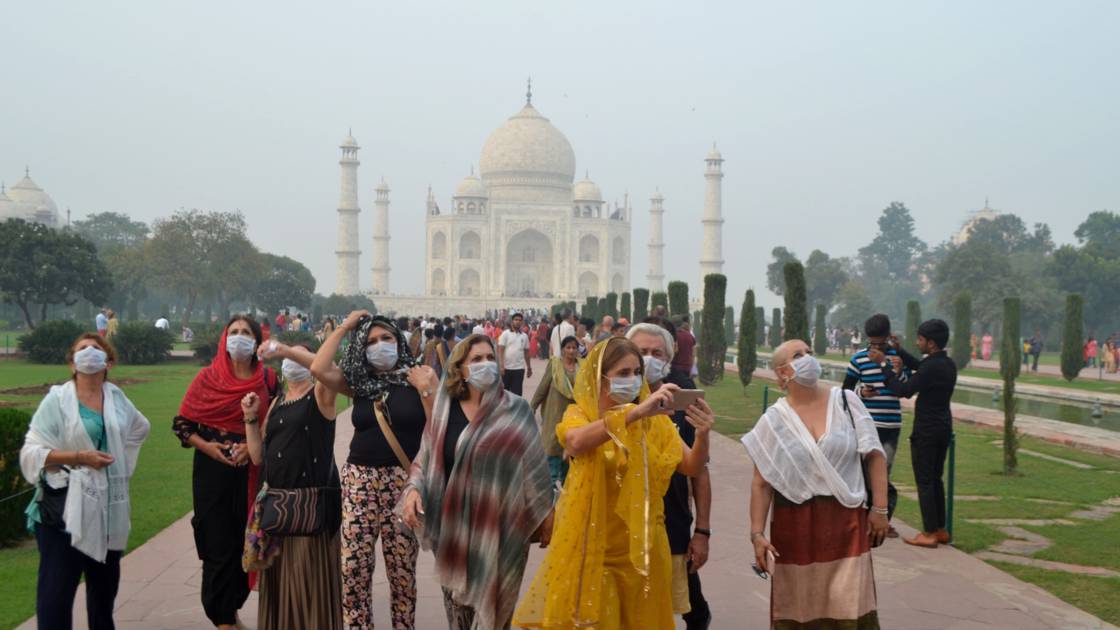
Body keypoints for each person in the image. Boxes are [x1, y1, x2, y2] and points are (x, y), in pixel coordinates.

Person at [514, 336, 714, 630]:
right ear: (601, 377)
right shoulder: (581, 414)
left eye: (636, 373)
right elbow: (576, 441)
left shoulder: (655, 421)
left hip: (645, 552)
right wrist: (634, 413)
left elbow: (691, 466)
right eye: (623, 374)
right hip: (594, 552)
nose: (632, 380)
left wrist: (702, 435)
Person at [399, 334, 553, 630]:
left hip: (502, 529)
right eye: (476, 360)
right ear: (460, 369)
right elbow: (425, 459)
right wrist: (413, 491)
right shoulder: (445, 411)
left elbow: (536, 466)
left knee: (496, 616)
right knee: (459, 619)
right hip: (453, 531)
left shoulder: (516, 409)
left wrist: (547, 512)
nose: (486, 365)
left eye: (490, 358)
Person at [742, 339, 888, 629]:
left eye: (809, 352)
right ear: (783, 372)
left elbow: (875, 456)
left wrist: (880, 510)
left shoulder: (846, 401)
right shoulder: (774, 421)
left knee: (849, 607)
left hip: (846, 523)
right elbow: (762, 484)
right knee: (799, 608)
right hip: (795, 528)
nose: (808, 357)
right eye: (798, 355)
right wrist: (757, 534)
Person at [312, 312, 435, 629]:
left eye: (387, 339)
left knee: (402, 578)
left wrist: (426, 389)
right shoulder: (360, 383)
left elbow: (437, 431)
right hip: (359, 484)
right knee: (353, 574)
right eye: (371, 342)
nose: (380, 346)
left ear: (400, 341)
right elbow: (318, 367)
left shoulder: (418, 378)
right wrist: (344, 327)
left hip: (403, 487)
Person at [20, 333, 151, 630]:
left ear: (109, 361)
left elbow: (140, 428)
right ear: (72, 362)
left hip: (107, 509)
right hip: (63, 510)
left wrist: (117, 463)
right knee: (56, 595)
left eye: (96, 348)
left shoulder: (116, 397)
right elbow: (32, 451)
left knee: (103, 593)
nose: (90, 352)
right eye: (82, 349)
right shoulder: (58, 400)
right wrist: (79, 458)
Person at [173, 315, 278, 629]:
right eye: (234, 332)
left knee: (244, 543)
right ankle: (222, 619)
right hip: (212, 473)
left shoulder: (268, 380)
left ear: (257, 341)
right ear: (224, 338)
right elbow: (182, 426)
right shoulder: (208, 378)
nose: (240, 337)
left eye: (246, 333)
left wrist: (252, 444)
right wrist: (209, 448)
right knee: (217, 543)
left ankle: (230, 611)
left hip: (250, 472)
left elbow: (277, 423)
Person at [242, 341, 342, 630]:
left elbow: (330, 369)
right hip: (277, 513)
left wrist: (286, 350)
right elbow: (259, 455)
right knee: (280, 589)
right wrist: (250, 416)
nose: (290, 361)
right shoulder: (277, 402)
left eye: (299, 355)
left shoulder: (321, 395)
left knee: (309, 588)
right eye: (288, 356)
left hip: (309, 513)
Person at [627, 320, 713, 629]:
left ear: (669, 357)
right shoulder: (609, 401)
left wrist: (702, 531)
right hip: (620, 530)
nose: (648, 358)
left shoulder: (682, 400)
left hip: (671, 522)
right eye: (641, 352)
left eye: (656, 352)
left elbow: (698, 471)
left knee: (691, 609)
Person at [879, 318, 958, 548]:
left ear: (931, 343)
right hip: (943, 427)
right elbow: (919, 366)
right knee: (935, 479)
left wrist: (885, 367)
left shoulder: (931, 367)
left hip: (927, 430)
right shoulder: (947, 364)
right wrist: (898, 350)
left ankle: (929, 532)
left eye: (921, 339)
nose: (917, 342)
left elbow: (904, 390)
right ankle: (940, 529)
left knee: (924, 481)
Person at [842, 314, 906, 531]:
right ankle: (864, 517)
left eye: (880, 344)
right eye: (872, 343)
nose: (875, 348)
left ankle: (882, 521)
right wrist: (861, 392)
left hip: (891, 426)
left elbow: (904, 389)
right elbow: (846, 390)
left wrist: (897, 371)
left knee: (883, 474)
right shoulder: (859, 359)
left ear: (888, 338)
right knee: (861, 472)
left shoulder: (897, 359)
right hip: (866, 425)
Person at [529, 334, 582, 495]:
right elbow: (542, 387)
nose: (571, 351)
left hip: (575, 415)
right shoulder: (554, 365)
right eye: (568, 347)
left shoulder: (584, 366)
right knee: (552, 446)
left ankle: (567, 484)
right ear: (563, 349)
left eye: (574, 347)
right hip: (555, 412)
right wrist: (533, 406)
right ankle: (550, 486)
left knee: (570, 446)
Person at [498, 312, 532, 396]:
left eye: (520, 320)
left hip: (519, 369)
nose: (518, 322)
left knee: (517, 394)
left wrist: (529, 367)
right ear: (512, 321)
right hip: (506, 369)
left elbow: (527, 353)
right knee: (504, 393)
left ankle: (516, 409)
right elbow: (500, 350)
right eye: (516, 320)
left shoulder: (524, 336)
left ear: (522, 322)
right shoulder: (505, 334)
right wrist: (501, 366)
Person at [670, 314, 696, 380]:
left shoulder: (671, 336)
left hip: (674, 368)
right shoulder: (690, 336)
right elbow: (693, 353)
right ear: (681, 324)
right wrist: (692, 367)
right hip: (687, 367)